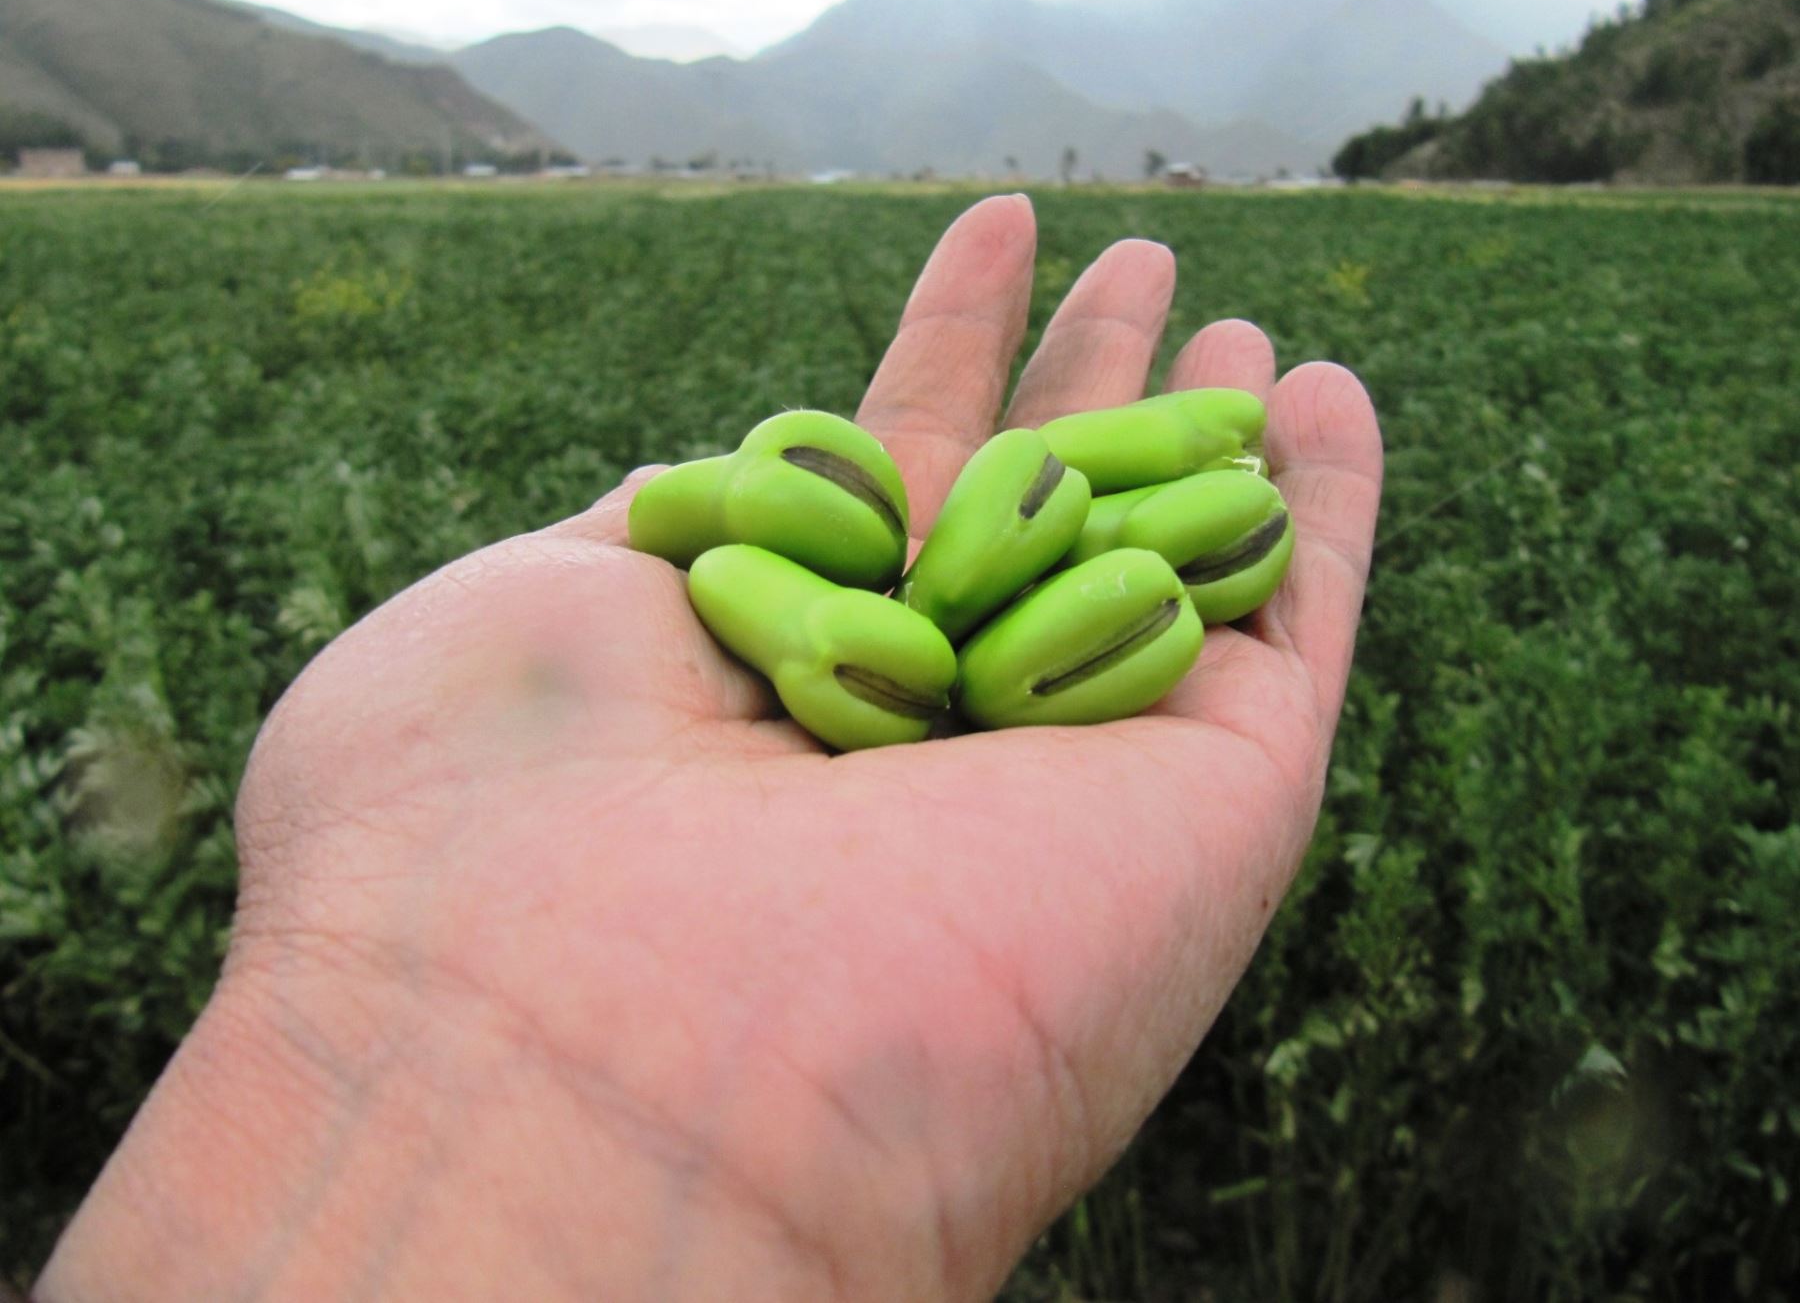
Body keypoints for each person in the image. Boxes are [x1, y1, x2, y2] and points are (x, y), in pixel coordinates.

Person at [33, 194, 1382, 1300]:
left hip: (928, 607)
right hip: (915, 610)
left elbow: (968, 542)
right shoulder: (827, 568)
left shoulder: (842, 560)